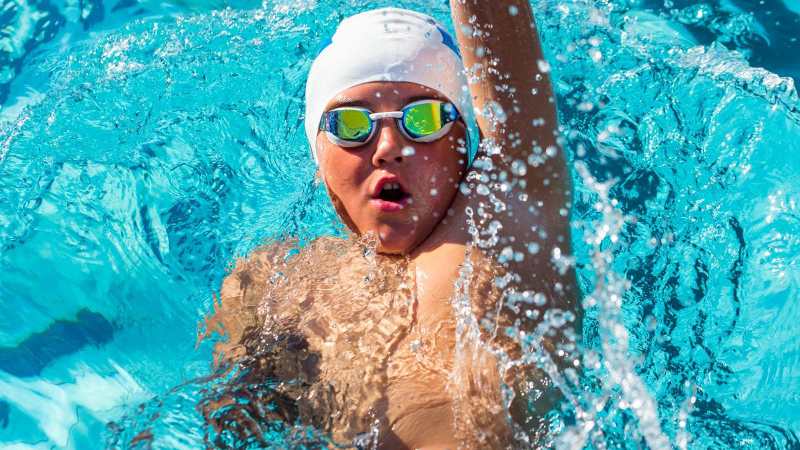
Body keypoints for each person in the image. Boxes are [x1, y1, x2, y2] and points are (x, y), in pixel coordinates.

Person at [202, 1, 579, 449]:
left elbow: (511, 87)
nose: (388, 146)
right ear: (318, 156)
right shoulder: (271, 284)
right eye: (351, 124)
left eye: (424, 119)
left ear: (464, 144)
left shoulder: (497, 227)